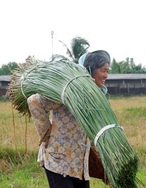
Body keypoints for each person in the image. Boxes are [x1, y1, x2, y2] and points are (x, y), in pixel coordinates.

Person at [27, 50, 111, 188]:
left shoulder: (94, 97)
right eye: (103, 70)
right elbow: (34, 101)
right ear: (91, 70)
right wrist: (46, 135)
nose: (106, 75)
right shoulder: (69, 91)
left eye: (108, 71)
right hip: (58, 161)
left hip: (79, 164)